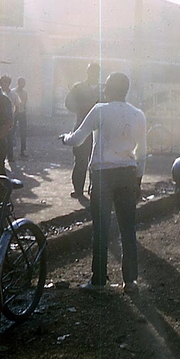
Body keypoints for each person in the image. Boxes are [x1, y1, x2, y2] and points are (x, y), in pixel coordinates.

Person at [60, 72, 147, 293]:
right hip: (128, 173)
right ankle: (130, 281)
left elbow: (78, 138)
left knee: (100, 228)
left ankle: (98, 280)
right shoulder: (138, 114)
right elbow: (142, 153)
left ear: (108, 89)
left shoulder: (100, 110)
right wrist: (138, 181)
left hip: (102, 175)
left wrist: (64, 139)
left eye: (105, 86)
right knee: (128, 228)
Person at [64, 62, 101, 198]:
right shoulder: (78, 88)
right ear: (87, 73)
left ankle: (93, 189)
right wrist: (82, 107)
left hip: (98, 130)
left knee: (96, 161)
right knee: (80, 160)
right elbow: (68, 103)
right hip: (81, 126)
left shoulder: (103, 90)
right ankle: (78, 189)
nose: (94, 74)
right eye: (91, 71)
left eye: (96, 72)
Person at [0, 75, 21, 162]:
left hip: (9, 118)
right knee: (0, 138)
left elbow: (17, 106)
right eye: (3, 82)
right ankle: (1, 157)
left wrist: (14, 116)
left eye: (7, 83)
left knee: (10, 138)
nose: (5, 84)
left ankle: (10, 157)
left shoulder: (13, 94)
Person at [13, 77, 29, 158]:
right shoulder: (13, 92)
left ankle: (23, 150)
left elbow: (25, 102)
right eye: (21, 83)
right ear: (18, 83)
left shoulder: (25, 92)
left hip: (22, 113)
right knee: (11, 131)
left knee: (23, 132)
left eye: (24, 84)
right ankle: (10, 150)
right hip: (15, 113)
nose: (22, 85)